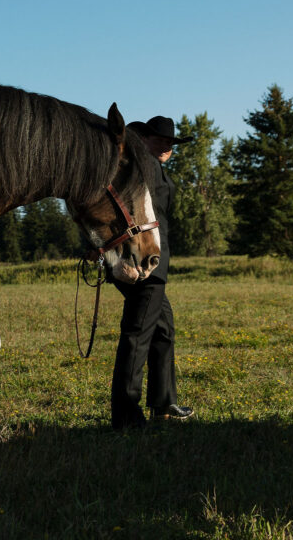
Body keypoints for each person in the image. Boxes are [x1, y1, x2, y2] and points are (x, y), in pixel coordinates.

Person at [111, 115, 195, 430]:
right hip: (141, 262)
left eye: (170, 143)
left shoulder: (153, 168)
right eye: (160, 140)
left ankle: (164, 403)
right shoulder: (136, 167)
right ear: (143, 139)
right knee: (137, 336)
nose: (166, 147)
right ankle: (126, 417)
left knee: (163, 329)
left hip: (156, 262)